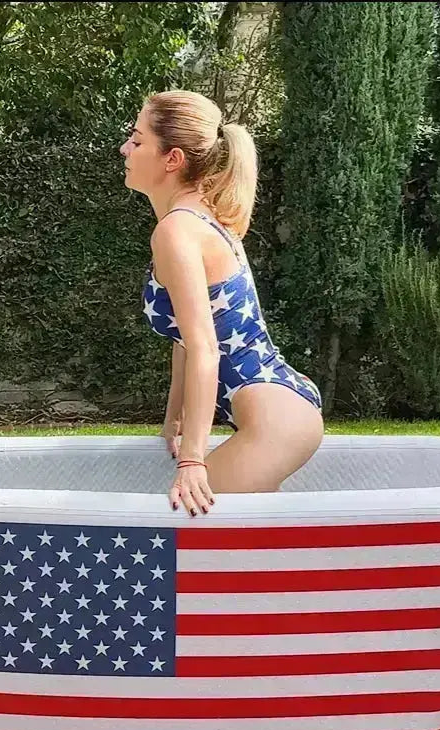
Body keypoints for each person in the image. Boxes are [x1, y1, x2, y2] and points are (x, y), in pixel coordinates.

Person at [120, 90, 324, 517]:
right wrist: (174, 422)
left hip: (276, 422)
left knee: (181, 524)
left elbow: (205, 348)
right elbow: (186, 339)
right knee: (246, 546)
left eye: (137, 140)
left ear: (172, 159)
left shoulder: (177, 231)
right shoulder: (203, 219)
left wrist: (193, 461)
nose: (125, 149)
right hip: (279, 407)